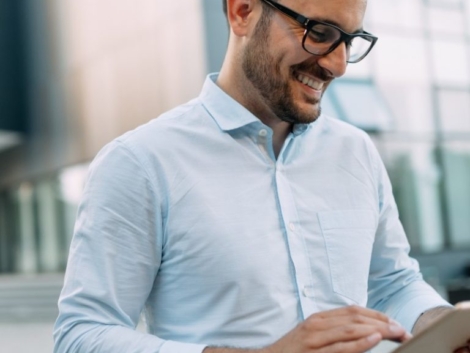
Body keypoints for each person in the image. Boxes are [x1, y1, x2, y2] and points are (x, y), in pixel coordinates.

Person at [53, 0, 470, 352]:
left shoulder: (356, 151)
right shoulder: (140, 162)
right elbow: (81, 334)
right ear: (242, 11)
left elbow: (392, 282)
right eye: (320, 32)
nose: (339, 66)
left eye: (350, 41)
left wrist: (448, 327)